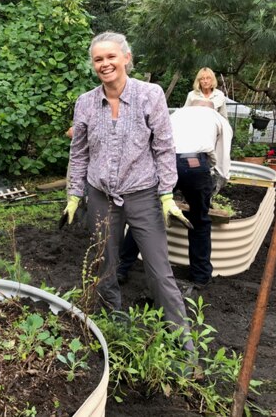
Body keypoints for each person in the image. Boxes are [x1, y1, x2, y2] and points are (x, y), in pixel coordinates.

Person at [63, 31, 193, 349]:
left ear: (126, 58)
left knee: (159, 270)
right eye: (98, 59)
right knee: (103, 264)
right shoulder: (86, 103)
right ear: (93, 65)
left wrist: (166, 193)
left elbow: (164, 147)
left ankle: (183, 344)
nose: (105, 64)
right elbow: (79, 153)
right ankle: (113, 324)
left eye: (111, 57)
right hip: (100, 195)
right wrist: (73, 194)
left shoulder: (151, 95)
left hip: (144, 194)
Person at [117, 100, 233, 288]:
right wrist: (217, 181)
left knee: (146, 217)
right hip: (195, 163)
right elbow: (223, 157)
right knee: (199, 220)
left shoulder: (176, 114)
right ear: (211, 107)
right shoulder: (218, 118)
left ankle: (121, 268)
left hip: (166, 161)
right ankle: (200, 276)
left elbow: (155, 141)